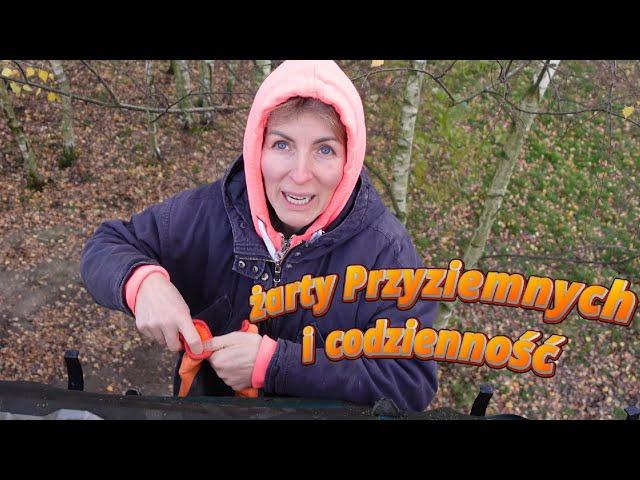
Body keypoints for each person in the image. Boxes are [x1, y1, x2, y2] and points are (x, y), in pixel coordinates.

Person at [80, 60, 438, 412]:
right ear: (257, 148)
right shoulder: (208, 213)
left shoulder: (386, 254)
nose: (300, 174)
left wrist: (277, 364)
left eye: (324, 149)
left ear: (349, 159)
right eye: (282, 145)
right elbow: (106, 245)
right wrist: (142, 283)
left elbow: (411, 381)